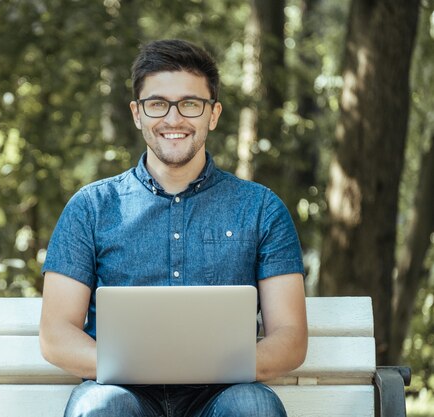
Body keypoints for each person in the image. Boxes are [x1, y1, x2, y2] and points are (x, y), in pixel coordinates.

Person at [39, 39, 308, 417]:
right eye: (157, 104)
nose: (173, 119)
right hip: (123, 391)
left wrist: (202, 366)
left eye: (190, 104)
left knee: (254, 407)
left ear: (213, 114)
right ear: (137, 113)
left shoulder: (261, 209)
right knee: (100, 406)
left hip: (223, 395)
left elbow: (290, 339)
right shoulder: (91, 208)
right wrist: (142, 366)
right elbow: (56, 335)